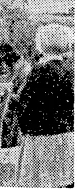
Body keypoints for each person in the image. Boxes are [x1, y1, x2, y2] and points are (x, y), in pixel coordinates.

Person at [15, 24, 74, 188]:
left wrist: (24, 126)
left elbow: (25, 103)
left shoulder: (38, 71)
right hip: (66, 132)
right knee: (65, 179)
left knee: (42, 180)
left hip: (40, 134)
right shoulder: (70, 71)